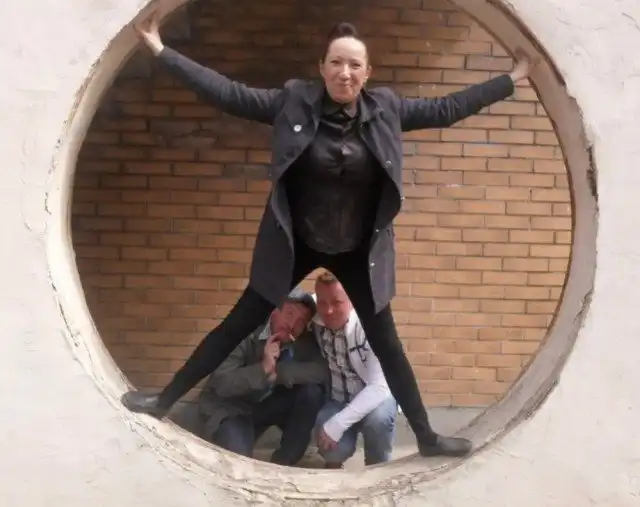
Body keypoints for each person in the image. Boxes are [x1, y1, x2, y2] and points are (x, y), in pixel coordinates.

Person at [122, 10, 532, 458]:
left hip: (358, 250)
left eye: (355, 64)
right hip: (297, 242)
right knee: (235, 324)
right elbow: (228, 94)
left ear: (367, 72)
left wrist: (512, 78)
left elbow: (448, 109)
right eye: (336, 62)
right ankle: (163, 401)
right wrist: (161, 50)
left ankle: (428, 438)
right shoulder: (293, 102)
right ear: (322, 67)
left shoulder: (386, 110)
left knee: (388, 346)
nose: (345, 72)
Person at [198, 288, 328, 466]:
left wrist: (278, 372)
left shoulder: (302, 340)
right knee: (240, 462)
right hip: (231, 408)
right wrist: (263, 369)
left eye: (301, 321)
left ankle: (285, 461)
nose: (292, 325)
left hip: (265, 405)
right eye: (289, 314)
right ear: (275, 310)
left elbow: (321, 370)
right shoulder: (244, 331)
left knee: (312, 393)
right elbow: (221, 383)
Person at [311, 271, 397, 468]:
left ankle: (377, 469)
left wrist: (338, 424)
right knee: (328, 444)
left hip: (375, 398)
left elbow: (380, 387)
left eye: (337, 302)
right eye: (322, 303)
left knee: (379, 421)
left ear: (352, 300)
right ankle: (334, 463)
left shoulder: (371, 326)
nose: (328, 311)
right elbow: (292, 303)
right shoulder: (314, 315)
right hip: (338, 399)